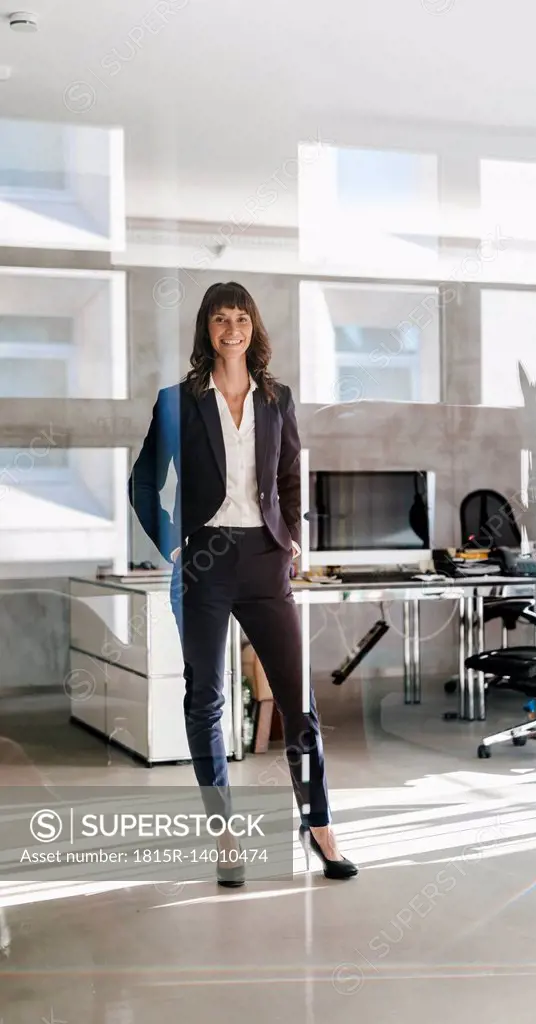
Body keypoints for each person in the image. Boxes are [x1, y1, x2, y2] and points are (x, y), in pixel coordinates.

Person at [128, 281, 357, 887]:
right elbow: (143, 485)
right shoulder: (177, 402)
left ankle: (320, 828)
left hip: (264, 559)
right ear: (206, 328)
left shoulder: (277, 399)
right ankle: (225, 836)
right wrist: (177, 545)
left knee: (297, 704)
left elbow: (288, 474)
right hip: (204, 562)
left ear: (254, 327)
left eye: (242, 319)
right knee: (206, 699)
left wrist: (292, 536)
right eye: (221, 319)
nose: (232, 329)